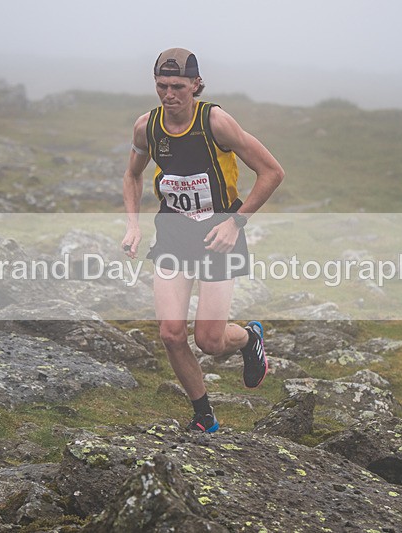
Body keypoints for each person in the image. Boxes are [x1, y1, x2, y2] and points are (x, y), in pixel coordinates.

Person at [121, 48, 284, 433]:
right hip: (174, 232)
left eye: (178, 86)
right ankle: (204, 416)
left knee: (209, 340)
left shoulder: (216, 122)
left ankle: (249, 338)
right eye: (162, 85)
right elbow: (132, 175)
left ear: (196, 84)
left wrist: (236, 223)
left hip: (218, 235)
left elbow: (272, 172)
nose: (169, 94)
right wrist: (133, 225)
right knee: (170, 333)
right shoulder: (147, 127)